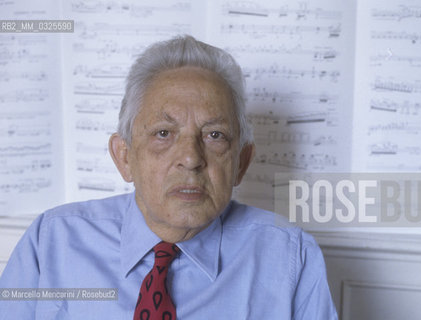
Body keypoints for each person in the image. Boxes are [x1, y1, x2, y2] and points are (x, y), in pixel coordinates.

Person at [0, 35, 338, 319]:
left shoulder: (291, 258)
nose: (191, 159)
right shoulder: (50, 242)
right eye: (163, 133)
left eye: (215, 135)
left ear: (241, 163)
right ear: (124, 156)